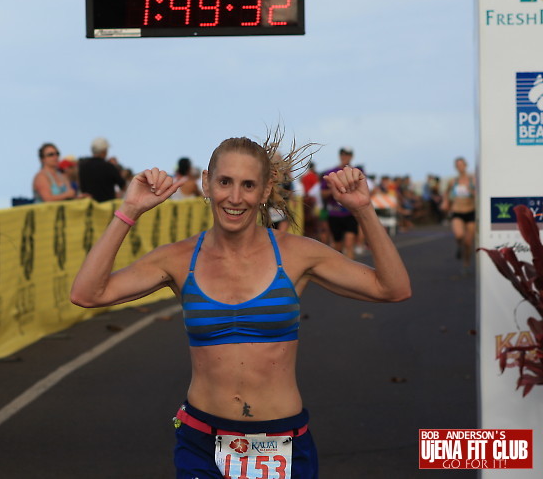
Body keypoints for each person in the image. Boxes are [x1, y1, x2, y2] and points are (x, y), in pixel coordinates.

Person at [71, 134, 411, 479]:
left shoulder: (296, 254)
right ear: (207, 183)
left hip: (282, 445)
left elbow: (392, 288)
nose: (235, 197)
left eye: (248, 185)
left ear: (265, 192)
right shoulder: (178, 259)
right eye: (224, 182)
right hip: (202, 443)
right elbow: (88, 294)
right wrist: (129, 210)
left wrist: (363, 210)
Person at [321, 147, 360, 259]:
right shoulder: (330, 172)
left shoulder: (356, 172)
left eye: (347, 155)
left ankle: (351, 273)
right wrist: (336, 189)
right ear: (340, 156)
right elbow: (323, 193)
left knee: (349, 244)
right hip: (335, 214)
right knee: (337, 246)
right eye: (343, 155)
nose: (345, 157)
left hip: (350, 213)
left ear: (351, 156)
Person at [441, 157, 476, 269]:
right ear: (456, 167)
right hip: (457, 211)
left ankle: (466, 263)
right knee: (459, 235)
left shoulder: (472, 179)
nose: (460, 167)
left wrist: (473, 192)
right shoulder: (453, 181)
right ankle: (459, 245)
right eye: (457, 165)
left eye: (461, 165)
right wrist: (445, 202)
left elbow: (478, 194)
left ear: (465, 165)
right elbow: (446, 193)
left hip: (470, 211)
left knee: (468, 242)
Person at [78, 137, 126, 202]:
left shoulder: (83, 166)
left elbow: (82, 188)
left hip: (89, 207)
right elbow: (123, 186)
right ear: (104, 151)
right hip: (107, 208)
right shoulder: (109, 167)